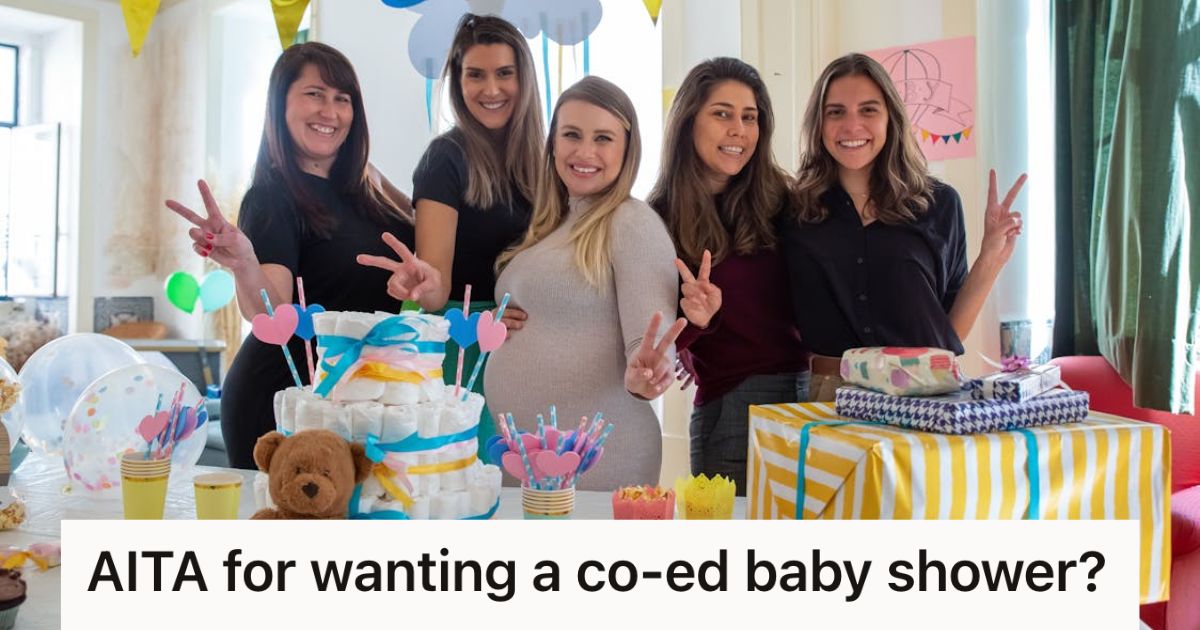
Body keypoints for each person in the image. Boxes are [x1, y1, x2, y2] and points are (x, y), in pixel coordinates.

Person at [166, 42, 415, 468]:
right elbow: (271, 314)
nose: (330, 112)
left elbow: (428, 236)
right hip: (286, 396)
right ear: (280, 105)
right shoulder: (272, 195)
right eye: (314, 94)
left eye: (342, 99)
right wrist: (245, 263)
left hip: (363, 395)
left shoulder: (368, 181)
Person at [780, 53, 1027, 401]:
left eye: (868, 110)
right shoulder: (794, 212)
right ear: (819, 123)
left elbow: (950, 332)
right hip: (831, 396)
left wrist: (991, 258)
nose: (852, 126)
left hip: (925, 396)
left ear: (890, 118)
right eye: (836, 112)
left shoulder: (939, 204)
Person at [483, 76, 684, 490]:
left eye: (603, 138)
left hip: (600, 461)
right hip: (528, 461)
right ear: (553, 144)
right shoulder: (552, 225)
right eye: (572, 135)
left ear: (627, 149)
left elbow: (648, 339)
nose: (585, 152)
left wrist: (646, 373)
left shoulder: (632, 222)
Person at [363, 14, 544, 455]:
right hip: (460, 349)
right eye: (475, 75)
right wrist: (475, 319)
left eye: (504, 73)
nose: (491, 89)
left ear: (524, 79)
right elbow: (435, 289)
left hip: (523, 353)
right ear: (457, 83)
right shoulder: (445, 158)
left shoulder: (544, 160)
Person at [647, 58, 808, 494]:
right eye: (722, 114)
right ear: (688, 121)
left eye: (749, 117)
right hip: (734, 405)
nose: (739, 130)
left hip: (810, 394)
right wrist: (697, 324)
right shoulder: (656, 219)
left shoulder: (784, 199)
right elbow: (659, 341)